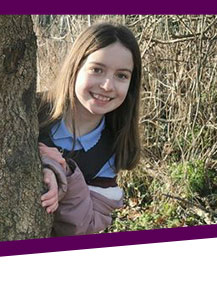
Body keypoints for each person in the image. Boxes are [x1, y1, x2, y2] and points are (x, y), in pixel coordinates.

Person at [36, 23, 143, 236]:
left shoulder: (110, 152)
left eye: (121, 76)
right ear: (75, 67)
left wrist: (64, 172)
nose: (107, 85)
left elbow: (84, 226)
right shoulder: (31, 110)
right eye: (97, 69)